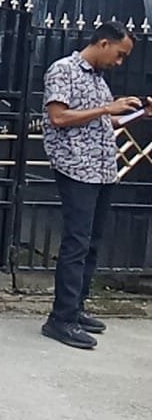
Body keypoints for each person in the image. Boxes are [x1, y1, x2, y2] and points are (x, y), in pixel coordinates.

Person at [40, 21, 146, 349]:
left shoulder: (98, 78)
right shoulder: (63, 70)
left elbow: (103, 120)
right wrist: (105, 108)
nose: (119, 62)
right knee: (76, 243)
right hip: (76, 168)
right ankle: (61, 319)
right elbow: (58, 117)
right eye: (119, 54)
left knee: (91, 243)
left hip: (102, 169)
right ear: (103, 43)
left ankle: (76, 307)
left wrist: (135, 113)